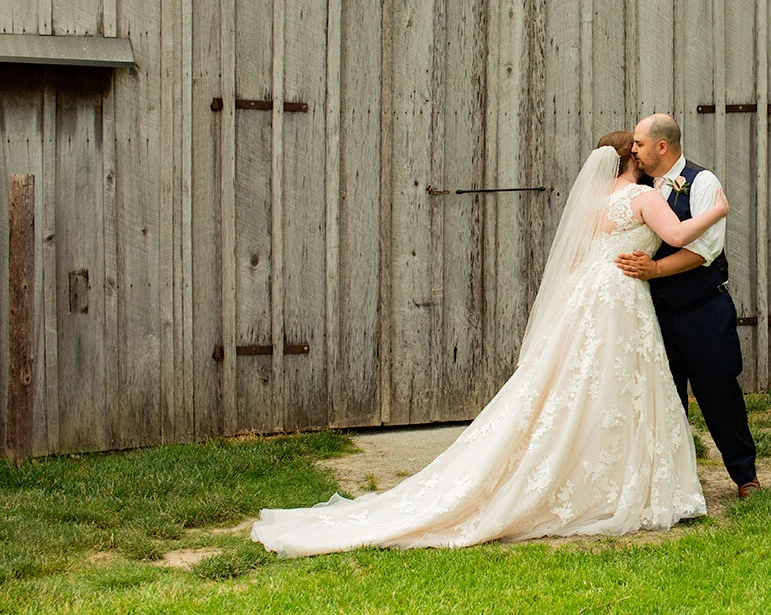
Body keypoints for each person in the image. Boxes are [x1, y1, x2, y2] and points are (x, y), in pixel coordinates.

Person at [249, 131, 730, 557]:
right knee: (616, 385)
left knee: (580, 384)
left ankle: (592, 472)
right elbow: (677, 233)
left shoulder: (595, 202)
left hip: (589, 294)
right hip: (622, 295)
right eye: (640, 152)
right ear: (631, 158)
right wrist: (718, 209)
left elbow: (582, 256)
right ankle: (616, 480)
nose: (646, 159)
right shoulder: (644, 198)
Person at [615, 114, 761, 499]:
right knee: (665, 398)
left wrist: (654, 269)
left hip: (702, 310)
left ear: (661, 147)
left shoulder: (702, 182)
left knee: (718, 392)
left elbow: (705, 250)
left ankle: (745, 475)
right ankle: (674, 484)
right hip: (654, 314)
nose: (634, 151)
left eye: (640, 145)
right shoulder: (638, 187)